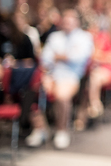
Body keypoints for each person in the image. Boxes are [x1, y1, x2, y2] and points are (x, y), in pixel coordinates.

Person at [26, 8, 93, 149]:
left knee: (62, 96)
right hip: (51, 75)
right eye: (65, 20)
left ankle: (62, 131)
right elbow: (45, 58)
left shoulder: (84, 37)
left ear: (77, 22)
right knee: (31, 90)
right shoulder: (55, 37)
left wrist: (58, 56)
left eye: (71, 20)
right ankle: (40, 129)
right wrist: (62, 58)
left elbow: (78, 58)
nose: (67, 23)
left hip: (71, 77)